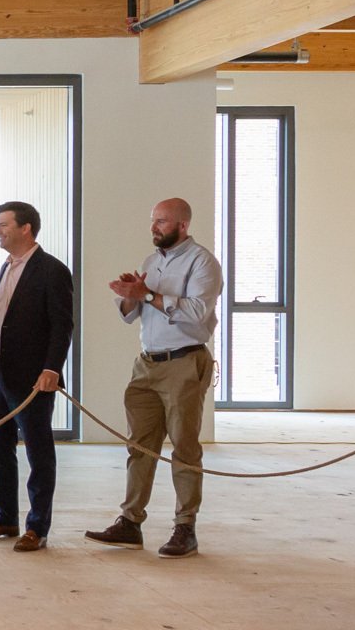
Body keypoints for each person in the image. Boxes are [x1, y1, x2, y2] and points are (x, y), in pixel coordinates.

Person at [86, 197, 221, 559]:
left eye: (162, 221)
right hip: (147, 364)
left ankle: (185, 527)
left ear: (182, 225)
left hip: (184, 363)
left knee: (185, 447)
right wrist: (131, 296)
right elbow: (131, 315)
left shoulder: (203, 262)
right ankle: (130, 522)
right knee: (139, 446)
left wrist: (145, 293)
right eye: (153, 221)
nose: (154, 228)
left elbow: (195, 313)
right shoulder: (151, 262)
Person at [0, 202, 74, 553]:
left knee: (38, 453)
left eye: (3, 224)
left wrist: (52, 369)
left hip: (33, 380)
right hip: (0, 375)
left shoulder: (52, 270)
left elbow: (62, 326)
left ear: (26, 228)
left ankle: (37, 527)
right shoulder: (6, 268)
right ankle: (5, 517)